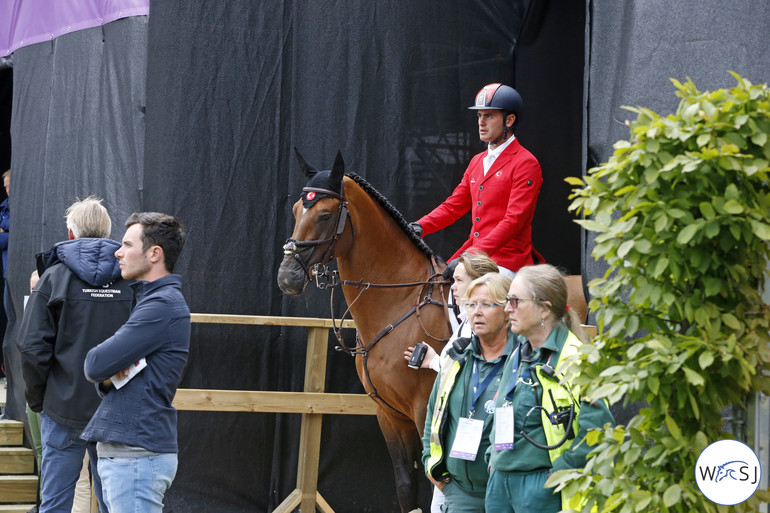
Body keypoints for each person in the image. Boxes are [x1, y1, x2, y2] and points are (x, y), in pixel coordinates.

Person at [17, 196, 133, 513]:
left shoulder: (53, 279)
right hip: (116, 408)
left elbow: (31, 347)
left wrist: (40, 399)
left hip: (63, 408)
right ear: (109, 234)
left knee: (55, 502)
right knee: (116, 503)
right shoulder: (132, 282)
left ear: (70, 235)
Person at [81, 212, 189, 513]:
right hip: (127, 454)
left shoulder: (161, 305)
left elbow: (95, 364)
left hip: (137, 457)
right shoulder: (152, 301)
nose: (118, 251)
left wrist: (106, 370)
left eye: (127, 244)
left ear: (155, 253)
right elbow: (103, 374)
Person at [485, 264, 615, 512]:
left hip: (540, 488)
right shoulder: (518, 353)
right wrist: (492, 459)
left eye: (515, 301)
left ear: (544, 309)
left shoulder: (578, 359)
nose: (507, 308)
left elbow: (599, 428)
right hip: (501, 483)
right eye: (506, 300)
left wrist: (559, 473)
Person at [410, 84, 544, 277]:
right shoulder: (476, 161)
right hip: (475, 253)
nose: (481, 122)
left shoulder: (526, 163)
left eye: (489, 116)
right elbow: (453, 206)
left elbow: (514, 221)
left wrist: (470, 256)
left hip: (506, 259)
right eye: (479, 116)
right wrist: (420, 226)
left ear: (510, 120)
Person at [422, 272, 514, 511]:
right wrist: (430, 465)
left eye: (486, 304)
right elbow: (433, 415)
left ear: (507, 311)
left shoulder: (523, 361)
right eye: (471, 305)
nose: (476, 312)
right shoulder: (456, 358)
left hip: (509, 494)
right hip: (458, 492)